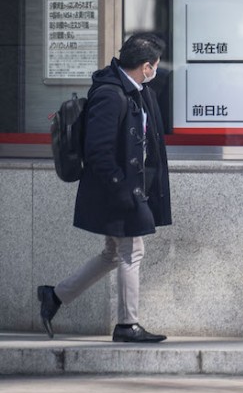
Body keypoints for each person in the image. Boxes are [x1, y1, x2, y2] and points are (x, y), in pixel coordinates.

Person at [37, 32, 171, 343]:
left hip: (127, 187)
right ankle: (127, 325)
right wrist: (122, 188)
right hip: (117, 189)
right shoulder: (111, 94)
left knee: (113, 253)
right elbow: (98, 150)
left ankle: (54, 296)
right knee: (131, 252)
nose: (157, 70)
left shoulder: (133, 89)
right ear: (146, 66)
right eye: (155, 64)